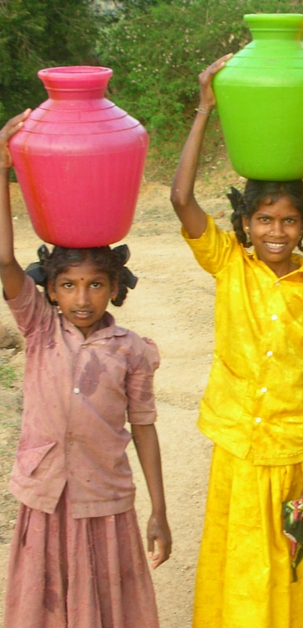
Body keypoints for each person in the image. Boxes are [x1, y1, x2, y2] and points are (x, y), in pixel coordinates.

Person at [170, 55, 303, 627]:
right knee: (242, 561)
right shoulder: (229, 266)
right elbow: (180, 200)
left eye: (289, 222)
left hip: (295, 452)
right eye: (265, 220)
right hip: (239, 447)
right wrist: (205, 108)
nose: (276, 232)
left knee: (292, 564)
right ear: (244, 222)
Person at [0, 110, 170, 627]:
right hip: (46, 496)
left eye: (96, 284)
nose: (82, 297)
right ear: (49, 291)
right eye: (69, 285)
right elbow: (5, 262)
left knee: (105, 607)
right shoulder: (39, 329)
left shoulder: (132, 350)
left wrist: (159, 510)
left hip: (104, 500)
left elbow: (144, 429)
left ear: (115, 288)